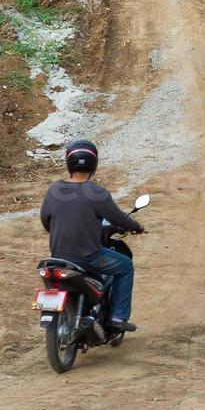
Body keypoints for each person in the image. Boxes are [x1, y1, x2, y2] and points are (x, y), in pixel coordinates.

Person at [39, 139, 144, 332]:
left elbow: (46, 221)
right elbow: (119, 218)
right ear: (94, 165)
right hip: (90, 257)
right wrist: (137, 226)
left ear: (68, 163)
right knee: (125, 267)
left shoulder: (54, 190)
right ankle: (117, 316)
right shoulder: (97, 193)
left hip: (58, 258)